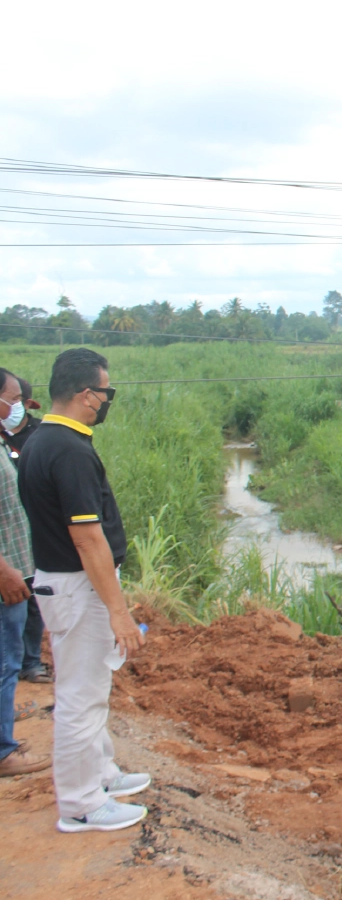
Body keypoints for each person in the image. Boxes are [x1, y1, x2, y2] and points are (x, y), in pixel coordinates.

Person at [17, 348, 150, 832]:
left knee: (90, 686)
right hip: (78, 585)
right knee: (81, 696)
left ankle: (101, 775)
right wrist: (117, 610)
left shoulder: (43, 440)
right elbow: (86, 536)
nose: (106, 401)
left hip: (70, 583)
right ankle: (80, 804)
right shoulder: (68, 450)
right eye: (105, 391)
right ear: (86, 395)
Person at [0, 368, 51, 779]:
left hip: (15, 567)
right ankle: (3, 752)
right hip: (5, 575)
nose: (18, 406)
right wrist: (5, 570)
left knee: (9, 654)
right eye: (13, 397)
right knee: (5, 658)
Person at [6, 376, 52, 685]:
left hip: (30, 530)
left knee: (31, 600)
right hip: (8, 537)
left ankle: (30, 661)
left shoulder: (38, 435)